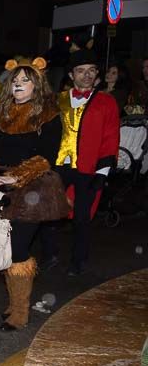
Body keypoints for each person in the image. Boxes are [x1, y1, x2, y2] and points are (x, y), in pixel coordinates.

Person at [0, 58, 68, 330]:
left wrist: (15, 176)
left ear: (37, 85)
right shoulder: (1, 113)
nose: (17, 84)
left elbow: (46, 157)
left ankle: (19, 311)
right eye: (14, 80)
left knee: (18, 248)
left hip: (32, 187)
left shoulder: (49, 116)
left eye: (24, 80)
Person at [51, 44, 120, 276]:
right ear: (71, 75)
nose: (87, 75)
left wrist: (102, 173)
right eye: (81, 70)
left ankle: (78, 261)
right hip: (58, 166)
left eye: (92, 70)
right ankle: (49, 255)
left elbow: (111, 137)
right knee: (48, 213)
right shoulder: (56, 100)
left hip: (88, 168)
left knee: (82, 218)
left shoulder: (106, 102)